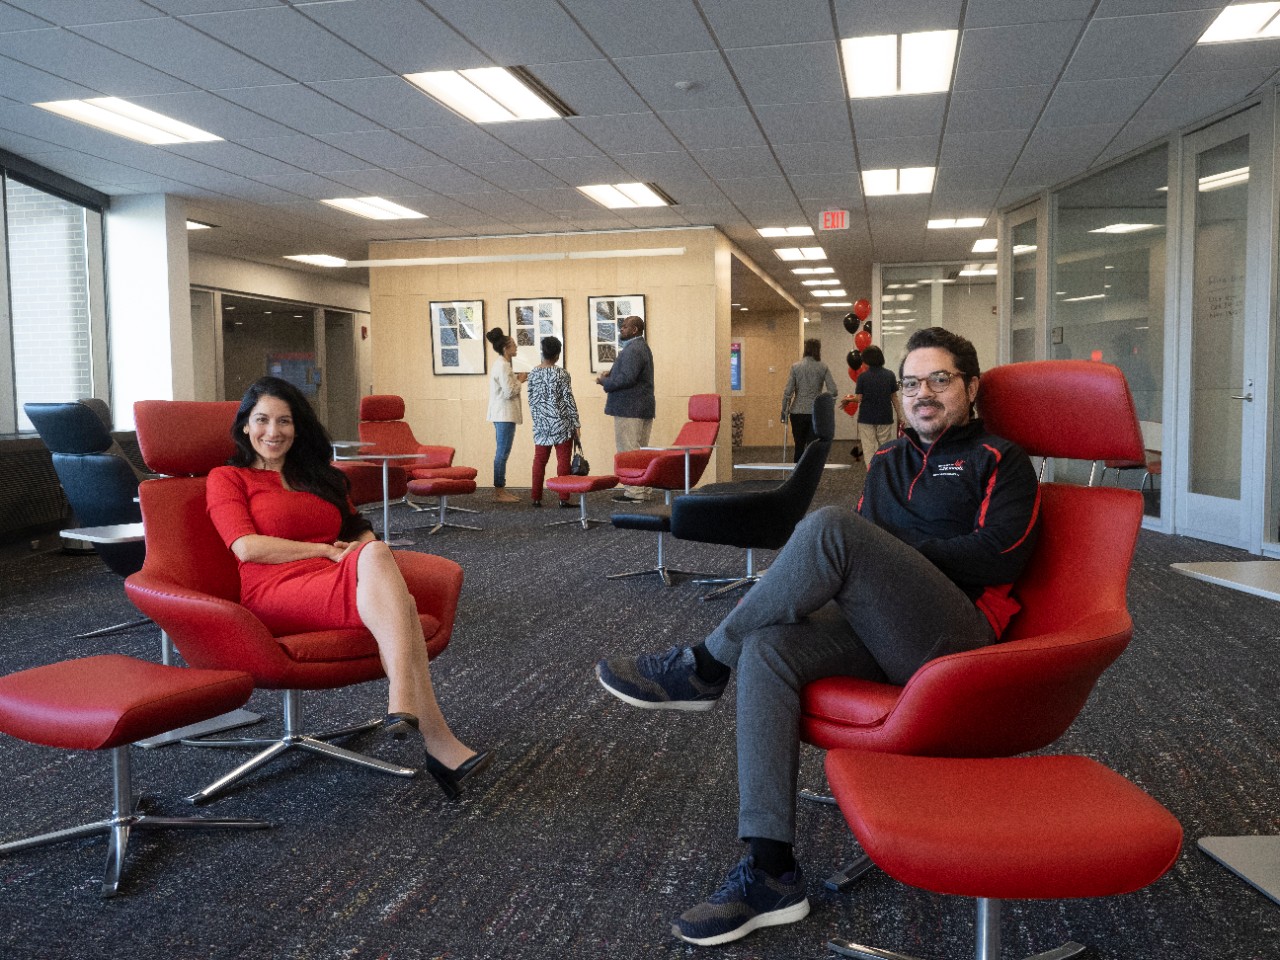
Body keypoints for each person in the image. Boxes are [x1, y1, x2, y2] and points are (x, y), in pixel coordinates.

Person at [594, 327, 1041, 947]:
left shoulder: (1002, 460)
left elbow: (1000, 555)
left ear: (970, 387)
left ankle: (702, 665)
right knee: (769, 647)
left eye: (940, 380)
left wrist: (887, 556)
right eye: (913, 384)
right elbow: (847, 568)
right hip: (877, 629)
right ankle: (771, 871)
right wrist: (796, 597)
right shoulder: (886, 462)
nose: (923, 395)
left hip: (955, 639)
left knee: (831, 527)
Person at [206, 376, 493, 800]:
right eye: (262, 420)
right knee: (401, 600)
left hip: (330, 578)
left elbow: (357, 529)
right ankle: (414, 710)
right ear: (245, 425)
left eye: (284, 421)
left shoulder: (320, 477)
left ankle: (432, 737)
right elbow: (247, 548)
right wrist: (324, 550)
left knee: (378, 554)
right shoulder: (228, 477)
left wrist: (362, 553)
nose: (273, 431)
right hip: (274, 591)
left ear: (298, 427)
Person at [595, 314, 654, 502]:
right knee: (639, 451)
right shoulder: (640, 347)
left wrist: (605, 381)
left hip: (630, 408)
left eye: (624, 326)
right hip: (640, 407)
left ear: (634, 330)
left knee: (628, 452)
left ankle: (634, 492)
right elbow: (629, 375)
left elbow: (627, 378)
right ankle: (642, 490)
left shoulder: (633, 349)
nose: (621, 329)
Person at [526, 335, 581, 508]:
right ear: (558, 354)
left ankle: (536, 497)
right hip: (561, 423)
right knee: (563, 461)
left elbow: (532, 400)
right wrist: (576, 423)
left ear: (542, 353)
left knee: (539, 461)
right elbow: (568, 399)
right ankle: (563, 498)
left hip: (541, 424)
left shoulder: (533, 373)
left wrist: (538, 419)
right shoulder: (562, 374)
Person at [485, 327, 526, 503]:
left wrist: (516, 379)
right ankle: (499, 491)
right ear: (505, 348)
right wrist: (520, 380)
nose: (516, 347)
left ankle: (500, 489)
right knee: (502, 452)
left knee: (503, 452)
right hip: (504, 415)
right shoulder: (502, 365)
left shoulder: (503, 364)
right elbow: (509, 391)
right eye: (513, 345)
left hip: (503, 414)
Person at [781, 338, 837, 463]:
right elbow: (833, 391)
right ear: (818, 350)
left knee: (799, 446)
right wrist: (828, 407)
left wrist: (784, 411)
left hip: (797, 412)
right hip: (815, 412)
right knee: (812, 446)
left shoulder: (795, 367)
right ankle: (810, 475)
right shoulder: (823, 367)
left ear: (805, 350)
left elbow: (788, 392)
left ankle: (797, 476)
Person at [853, 344, 904, 471]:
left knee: (869, 448)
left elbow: (858, 398)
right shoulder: (890, 375)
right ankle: (885, 472)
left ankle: (872, 474)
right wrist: (900, 415)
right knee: (885, 447)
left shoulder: (862, 377)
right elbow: (894, 398)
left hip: (866, 417)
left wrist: (848, 400)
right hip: (885, 416)